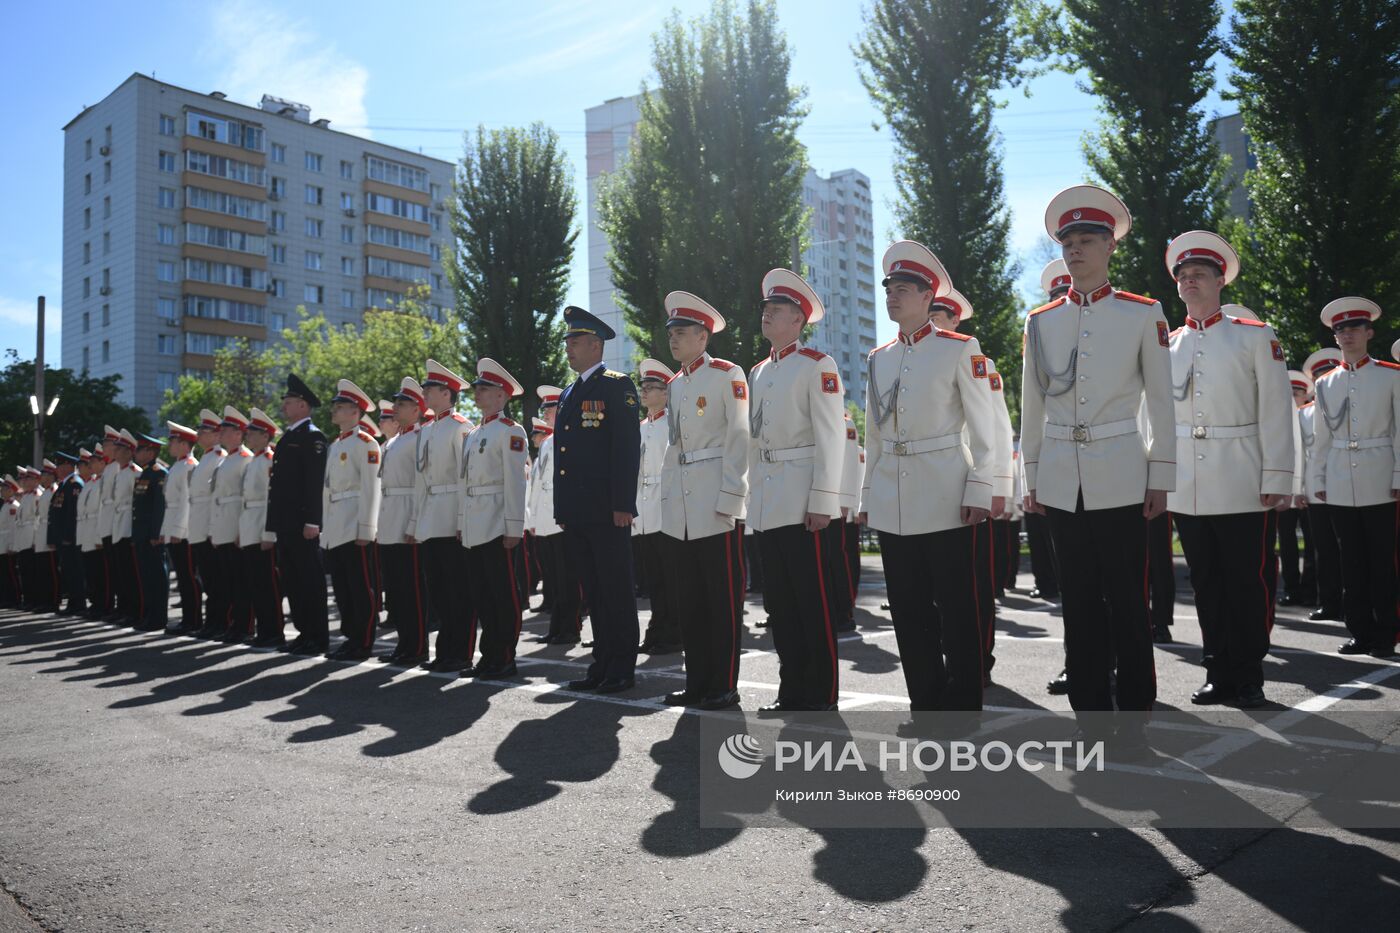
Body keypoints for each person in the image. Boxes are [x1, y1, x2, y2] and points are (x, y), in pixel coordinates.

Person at [1021, 185, 1176, 727]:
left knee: (1128, 599)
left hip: (1122, 473)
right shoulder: (1041, 321)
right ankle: (1088, 704)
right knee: (1079, 600)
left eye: (1088, 239)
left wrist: (1161, 474)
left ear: (1111, 246)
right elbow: (1032, 405)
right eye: (1068, 242)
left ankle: (1135, 704)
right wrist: (1033, 476)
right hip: (1063, 476)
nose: (1075, 250)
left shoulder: (1142, 313)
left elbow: (1161, 402)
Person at [862, 241, 999, 724]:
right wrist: (867, 495)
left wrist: (983, 488)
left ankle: (962, 708)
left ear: (928, 296)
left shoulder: (961, 349)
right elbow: (874, 432)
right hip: (894, 498)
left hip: (945, 493)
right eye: (890, 290)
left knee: (958, 609)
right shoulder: (879, 357)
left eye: (904, 289)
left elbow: (986, 429)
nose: (893, 297)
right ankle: (925, 702)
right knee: (908, 608)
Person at [1164, 231, 1294, 708]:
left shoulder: (1254, 337)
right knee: (1205, 582)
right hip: (1187, 484)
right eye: (1182, 276)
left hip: (1242, 476)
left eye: (1199, 274)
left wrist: (1278, 477)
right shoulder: (1167, 345)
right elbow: (1153, 416)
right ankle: (1217, 669)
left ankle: (1248, 673)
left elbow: (1277, 410)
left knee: (1247, 579)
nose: (1189, 281)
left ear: (1221, 281)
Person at [745, 268, 846, 714]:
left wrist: (823, 501)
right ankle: (791, 690)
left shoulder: (817, 365)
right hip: (768, 501)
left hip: (803, 498)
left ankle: (820, 691)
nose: (768, 315)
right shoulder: (759, 370)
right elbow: (753, 440)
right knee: (780, 605)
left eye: (778, 310)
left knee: (812, 602)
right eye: (766, 309)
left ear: (798, 321)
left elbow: (830, 437)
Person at [655, 292, 750, 710]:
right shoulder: (676, 385)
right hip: (684, 508)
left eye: (681, 333)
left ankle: (723, 684)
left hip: (715, 501)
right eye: (671, 333)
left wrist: (732, 496)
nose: (673, 340)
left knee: (721, 600)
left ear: (702, 336)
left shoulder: (727, 374)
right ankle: (696, 682)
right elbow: (675, 447)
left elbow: (739, 438)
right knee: (690, 601)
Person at [554, 306, 643, 695]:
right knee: (593, 591)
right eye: (568, 342)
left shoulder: (615, 385)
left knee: (616, 590)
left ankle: (621, 667)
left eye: (575, 342)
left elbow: (626, 448)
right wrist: (562, 509)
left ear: (595, 344)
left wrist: (623, 503)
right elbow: (565, 456)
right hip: (577, 511)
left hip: (608, 510)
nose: (569, 348)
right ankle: (601, 664)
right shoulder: (570, 391)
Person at [928, 287, 1015, 684]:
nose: (931, 320)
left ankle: (979, 660)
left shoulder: (976, 359)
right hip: (930, 487)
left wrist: (997, 486)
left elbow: (996, 427)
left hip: (970, 482)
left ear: (955, 320)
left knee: (973, 584)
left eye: (939, 314)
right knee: (932, 589)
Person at [1310, 297, 1400, 658]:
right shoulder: (1325, 383)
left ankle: (1387, 631)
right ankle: (1360, 630)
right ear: (1335, 338)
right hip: (1339, 478)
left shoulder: (1391, 375)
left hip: (1380, 474)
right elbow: (1321, 437)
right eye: (1340, 330)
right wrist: (1317, 479)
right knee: (1351, 561)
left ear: (1369, 332)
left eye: (1354, 328)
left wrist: (1398, 473)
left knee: (1383, 560)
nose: (1347, 335)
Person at [457, 359, 529, 676]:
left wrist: (514, 526)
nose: (478, 394)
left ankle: (505, 656)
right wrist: (461, 522)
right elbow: (464, 482)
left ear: (502, 395)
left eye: (485, 389)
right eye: (478, 389)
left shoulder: (510, 431)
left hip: (497, 523)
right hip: (474, 523)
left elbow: (516, 482)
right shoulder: (473, 434)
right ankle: (488, 656)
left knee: (503, 593)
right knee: (482, 593)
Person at [411, 360, 476, 672]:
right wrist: (416, 521)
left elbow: (464, 478)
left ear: (447, 393)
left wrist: (462, 519)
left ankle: (460, 652)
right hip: (431, 516)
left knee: (457, 590)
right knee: (438, 588)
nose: (424, 393)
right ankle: (443, 652)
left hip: (451, 514)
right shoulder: (427, 429)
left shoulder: (460, 427)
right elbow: (421, 481)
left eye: (430, 389)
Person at [321, 380, 382, 661]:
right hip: (336, 525)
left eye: (341, 407)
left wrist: (366, 529)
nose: (335, 411)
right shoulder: (336, 444)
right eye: (336, 406)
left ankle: (364, 639)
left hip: (355, 524)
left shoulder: (365, 443)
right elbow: (328, 489)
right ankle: (350, 637)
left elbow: (371, 489)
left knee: (360, 587)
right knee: (343, 588)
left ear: (355, 412)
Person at [269, 376, 330, 656]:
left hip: (302, 521)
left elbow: (313, 482)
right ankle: (304, 633)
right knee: (293, 581)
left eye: (289, 402)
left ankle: (317, 637)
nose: (285, 406)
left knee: (310, 582)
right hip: (286, 521)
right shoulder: (289, 437)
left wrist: (312, 521)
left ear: (303, 405)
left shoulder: (313, 437)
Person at [376, 377, 429, 665]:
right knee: (396, 588)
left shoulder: (420, 438)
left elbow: (421, 484)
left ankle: (417, 645)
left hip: (407, 515)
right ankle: (404, 644)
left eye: (402, 404)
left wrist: (413, 524)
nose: (395, 408)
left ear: (417, 409)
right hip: (389, 517)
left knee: (411, 589)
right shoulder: (394, 441)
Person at [634, 359, 681, 654]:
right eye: (643, 387)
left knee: (670, 576)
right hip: (645, 508)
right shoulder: (640, 428)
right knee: (653, 577)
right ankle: (656, 630)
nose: (645, 392)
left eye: (651, 387)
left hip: (667, 505)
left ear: (666, 393)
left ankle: (673, 632)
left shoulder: (672, 423)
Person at [528, 408, 583, 646]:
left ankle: (570, 627)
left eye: (550, 410)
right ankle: (557, 626)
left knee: (567, 577)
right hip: (546, 519)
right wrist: (533, 519)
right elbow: (538, 485)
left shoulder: (569, 437)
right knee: (554, 577)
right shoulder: (548, 442)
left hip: (562, 517)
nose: (546, 415)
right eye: (546, 411)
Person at [1301, 349, 1346, 622]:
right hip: (1316, 489)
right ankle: (1328, 602)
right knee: (1323, 550)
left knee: (1349, 550)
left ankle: (1350, 602)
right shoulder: (1304, 414)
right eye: (1321, 377)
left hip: (1345, 483)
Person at [209, 408, 255, 641]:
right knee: (227, 579)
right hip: (223, 523)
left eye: (226, 430)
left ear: (238, 433)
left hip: (236, 524)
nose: (221, 434)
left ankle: (244, 625)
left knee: (240, 580)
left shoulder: (245, 458)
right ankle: (231, 624)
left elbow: (245, 497)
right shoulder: (227, 459)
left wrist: (240, 529)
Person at [240, 409, 284, 647]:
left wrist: (269, 533)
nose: (248, 436)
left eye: (253, 433)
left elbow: (270, 498)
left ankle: (274, 630)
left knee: (268, 584)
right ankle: (263, 629)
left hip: (262, 525)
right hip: (250, 524)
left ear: (265, 436)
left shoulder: (268, 459)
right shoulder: (255, 460)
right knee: (256, 583)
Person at [159, 422, 202, 635]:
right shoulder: (177, 465)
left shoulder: (189, 465)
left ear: (185, 444)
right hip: (174, 525)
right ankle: (188, 618)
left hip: (183, 531)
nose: (170, 445)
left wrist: (177, 529)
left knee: (188, 576)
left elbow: (186, 500)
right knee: (184, 577)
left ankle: (193, 619)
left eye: (173, 441)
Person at [185, 411, 225, 636]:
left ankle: (218, 622)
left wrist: (212, 528)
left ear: (216, 435)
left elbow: (214, 498)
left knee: (216, 580)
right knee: (208, 578)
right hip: (199, 524)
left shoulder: (218, 457)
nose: (199, 434)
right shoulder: (207, 458)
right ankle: (212, 622)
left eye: (204, 431)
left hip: (210, 525)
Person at [1279, 371, 1317, 607]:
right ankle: (1291, 589)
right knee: (1286, 544)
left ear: (1306, 395)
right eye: (1290, 393)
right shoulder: (1280, 418)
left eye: (1297, 393)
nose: (1293, 397)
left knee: (1313, 544)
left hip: (1309, 490)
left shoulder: (1311, 416)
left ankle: (1311, 590)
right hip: (1285, 491)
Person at [130, 434, 169, 632]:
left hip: (151, 535)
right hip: (141, 533)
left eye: (139, 449)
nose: (135, 453)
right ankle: (148, 615)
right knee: (145, 577)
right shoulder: (145, 473)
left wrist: (156, 533)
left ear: (150, 452)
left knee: (156, 578)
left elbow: (159, 507)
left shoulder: (158, 473)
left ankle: (157, 617)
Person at [108, 431, 143, 626]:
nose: (116, 452)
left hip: (128, 524)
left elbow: (135, 503)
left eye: (120, 449)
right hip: (118, 523)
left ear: (130, 452)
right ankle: (125, 609)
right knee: (122, 573)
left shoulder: (134, 472)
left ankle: (134, 610)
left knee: (131, 573)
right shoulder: (119, 472)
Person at [48, 452, 86, 615]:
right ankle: (73, 603)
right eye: (57, 466)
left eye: (61, 465)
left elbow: (72, 513)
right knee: (68, 571)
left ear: (70, 466)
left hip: (69, 537)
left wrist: (68, 536)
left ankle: (78, 604)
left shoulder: (74, 483)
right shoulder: (64, 485)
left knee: (74, 571)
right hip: (62, 536)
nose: (58, 469)